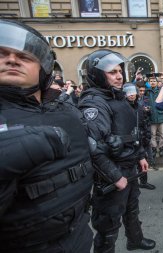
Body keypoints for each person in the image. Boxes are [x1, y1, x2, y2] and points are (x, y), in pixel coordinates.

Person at [0, 19, 94, 252]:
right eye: (2, 54)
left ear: (43, 69)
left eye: (24, 57)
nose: (12, 59)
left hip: (79, 235)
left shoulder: (65, 112)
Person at [79, 49, 155, 252]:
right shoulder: (94, 102)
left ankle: (135, 240)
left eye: (120, 70)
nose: (119, 75)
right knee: (108, 225)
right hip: (112, 176)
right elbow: (93, 147)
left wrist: (140, 156)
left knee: (132, 210)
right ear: (97, 74)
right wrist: (114, 177)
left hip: (130, 167)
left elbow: (131, 132)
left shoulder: (119, 98)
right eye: (112, 72)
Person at [124, 83, 156, 190]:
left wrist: (147, 136)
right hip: (129, 141)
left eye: (133, 92)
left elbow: (145, 122)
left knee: (143, 162)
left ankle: (143, 182)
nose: (131, 95)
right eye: (128, 93)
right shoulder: (122, 107)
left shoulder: (140, 106)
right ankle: (131, 184)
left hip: (142, 139)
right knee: (131, 164)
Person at [146, 76, 163, 159]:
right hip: (152, 116)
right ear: (149, 82)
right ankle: (153, 149)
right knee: (153, 135)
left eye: (154, 81)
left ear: (157, 82)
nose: (153, 82)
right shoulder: (147, 91)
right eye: (151, 81)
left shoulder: (161, 91)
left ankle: (161, 148)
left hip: (161, 116)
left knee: (162, 134)